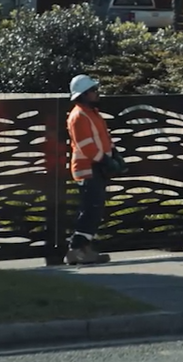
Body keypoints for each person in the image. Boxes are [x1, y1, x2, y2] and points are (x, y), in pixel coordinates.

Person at [66, 74, 115, 265]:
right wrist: (104, 160)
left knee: (93, 209)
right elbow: (86, 146)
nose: (96, 93)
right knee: (91, 210)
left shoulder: (91, 113)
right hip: (87, 168)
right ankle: (76, 249)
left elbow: (100, 140)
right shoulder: (79, 116)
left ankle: (83, 250)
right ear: (83, 95)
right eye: (93, 90)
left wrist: (112, 155)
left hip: (94, 166)